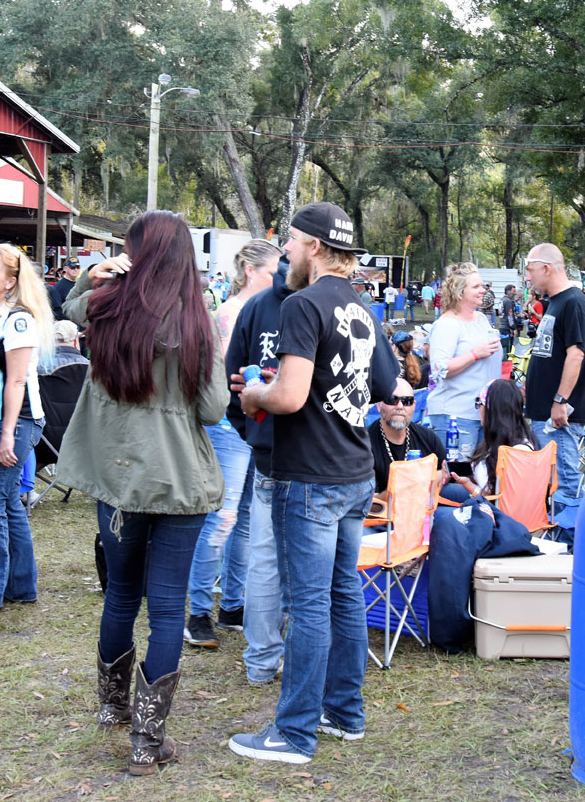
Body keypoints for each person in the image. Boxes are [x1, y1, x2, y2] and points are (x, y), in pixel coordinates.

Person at [53, 211, 228, 775]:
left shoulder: (105, 307)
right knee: (168, 606)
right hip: (178, 480)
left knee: (122, 595)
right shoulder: (197, 322)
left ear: (134, 253)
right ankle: (146, 743)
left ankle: (113, 706)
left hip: (118, 478)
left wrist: (93, 274)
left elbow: (70, 307)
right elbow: (214, 409)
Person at [230, 202, 395, 765]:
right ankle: (344, 713)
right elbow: (383, 386)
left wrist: (254, 394)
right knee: (342, 594)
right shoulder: (361, 305)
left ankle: (294, 733)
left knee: (308, 604)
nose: (286, 253)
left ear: (315, 247)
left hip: (310, 477)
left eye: (293, 242)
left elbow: (290, 397)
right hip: (353, 472)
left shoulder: (302, 304)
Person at [185, 238, 280, 649]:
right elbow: (221, 376)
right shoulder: (231, 312)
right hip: (228, 423)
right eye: (273, 271)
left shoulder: (273, 309)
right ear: (250, 271)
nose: (279, 278)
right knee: (221, 518)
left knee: (244, 518)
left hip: (259, 423)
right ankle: (198, 610)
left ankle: (233, 603)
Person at [0, 243, 53, 619]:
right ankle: (21, 584)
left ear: (9, 282)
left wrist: (6, 434)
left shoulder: (18, 320)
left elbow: (17, 380)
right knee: (5, 504)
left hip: (17, 421)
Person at [222, 254, 294, 685]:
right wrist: (253, 431)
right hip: (289, 456)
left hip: (288, 454)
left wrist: (253, 429)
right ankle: (270, 659)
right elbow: (234, 381)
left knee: (268, 556)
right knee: (276, 559)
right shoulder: (258, 307)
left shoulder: (261, 304)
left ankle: (267, 660)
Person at [522, 244, 585, 497]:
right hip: (545, 411)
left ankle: (569, 523)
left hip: (560, 416)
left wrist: (560, 400)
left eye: (530, 270)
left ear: (547, 268)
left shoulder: (574, 302)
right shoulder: (554, 302)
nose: (528, 277)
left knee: (564, 483)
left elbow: (576, 355)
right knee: (550, 482)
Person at [426, 262, 504, 463]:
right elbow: (440, 369)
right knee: (457, 475)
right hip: (455, 416)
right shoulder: (447, 325)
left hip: (484, 416)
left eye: (482, 285)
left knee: (478, 475)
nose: (483, 290)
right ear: (460, 292)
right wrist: (475, 354)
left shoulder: (481, 319)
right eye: (476, 286)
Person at [449, 378, 537, 497]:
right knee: (437, 491)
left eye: (480, 404)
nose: (478, 409)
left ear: (492, 411)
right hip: (486, 500)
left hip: (492, 506)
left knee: (437, 502)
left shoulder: (518, 452)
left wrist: (468, 484)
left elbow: (502, 501)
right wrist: (460, 470)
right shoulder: (500, 441)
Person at [369, 377, 446, 495]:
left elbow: (445, 470)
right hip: (384, 506)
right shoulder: (365, 444)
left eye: (407, 401)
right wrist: (403, 489)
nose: (400, 406)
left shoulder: (428, 437)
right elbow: (368, 501)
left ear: (414, 406)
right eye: (392, 399)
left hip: (424, 502)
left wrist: (433, 479)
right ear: (379, 405)